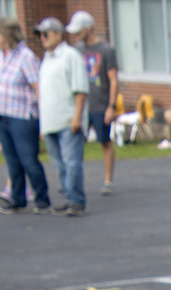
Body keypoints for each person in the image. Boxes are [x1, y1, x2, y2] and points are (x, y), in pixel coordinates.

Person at [0, 17, 50, 215]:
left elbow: (38, 87)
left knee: (28, 158)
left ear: (6, 34)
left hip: (23, 115)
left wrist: (42, 118)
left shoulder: (26, 56)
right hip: (2, 115)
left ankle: (42, 198)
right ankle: (18, 198)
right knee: (11, 159)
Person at [36, 17, 88, 217]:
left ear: (59, 34)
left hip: (67, 120)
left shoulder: (70, 55)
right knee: (59, 165)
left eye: (46, 33)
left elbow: (80, 89)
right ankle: (69, 197)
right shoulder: (46, 59)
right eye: (40, 34)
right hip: (50, 121)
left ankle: (76, 199)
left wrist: (77, 117)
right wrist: (42, 123)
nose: (42, 38)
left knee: (71, 162)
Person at [66, 10, 119, 196]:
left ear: (88, 28)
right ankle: (72, 181)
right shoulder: (75, 50)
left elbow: (113, 79)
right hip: (82, 106)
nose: (75, 34)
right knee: (75, 142)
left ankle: (108, 180)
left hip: (100, 103)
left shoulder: (105, 50)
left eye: (78, 30)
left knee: (104, 141)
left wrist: (111, 106)